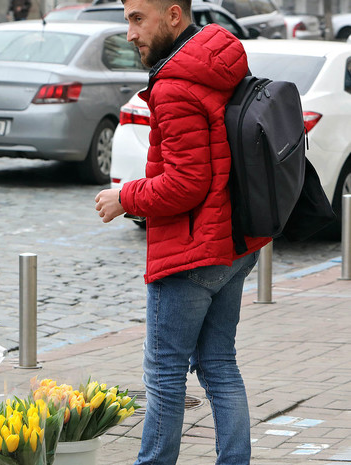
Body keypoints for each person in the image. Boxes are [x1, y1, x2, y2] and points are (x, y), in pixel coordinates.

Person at [93, 0, 270, 463]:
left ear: (173, 16)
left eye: (137, 19)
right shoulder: (217, 60)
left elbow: (187, 184)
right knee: (219, 366)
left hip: (190, 253)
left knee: (165, 374)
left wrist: (124, 197)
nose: (130, 33)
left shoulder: (175, 85)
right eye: (127, 20)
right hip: (232, 244)